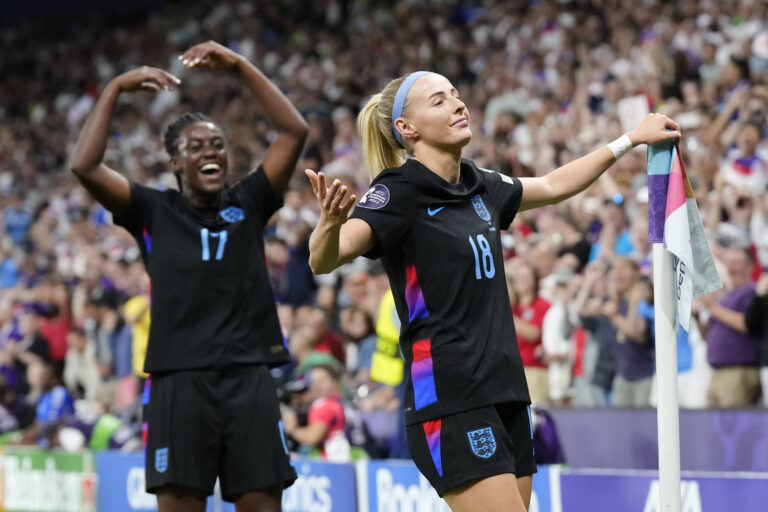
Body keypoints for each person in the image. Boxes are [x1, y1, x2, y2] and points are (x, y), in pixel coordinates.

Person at [303, 70, 679, 511]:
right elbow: (325, 258)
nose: (459, 104)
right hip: (449, 397)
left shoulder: (478, 182)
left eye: (456, 95)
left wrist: (629, 140)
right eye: (439, 101)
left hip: (506, 391)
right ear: (407, 128)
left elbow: (556, 185)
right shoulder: (397, 192)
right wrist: (329, 224)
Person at [70, 41, 308, 512]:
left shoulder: (250, 201)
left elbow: (293, 130)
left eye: (217, 144)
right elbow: (85, 165)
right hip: (178, 383)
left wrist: (240, 65)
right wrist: (115, 88)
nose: (210, 151)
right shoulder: (152, 210)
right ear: (176, 164)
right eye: (195, 147)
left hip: (249, 377)